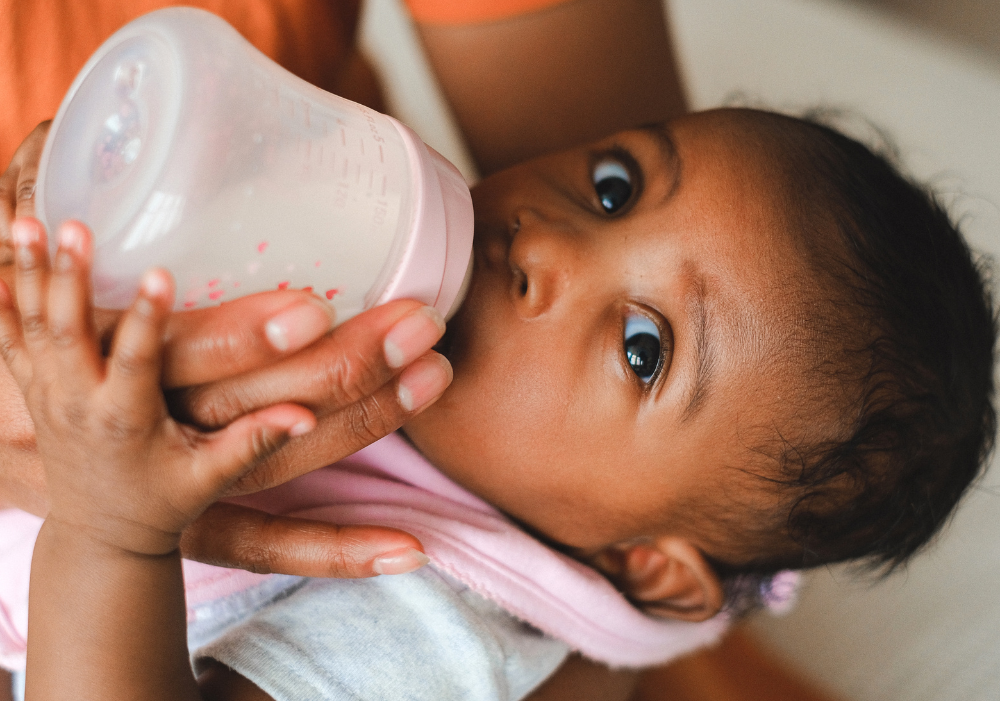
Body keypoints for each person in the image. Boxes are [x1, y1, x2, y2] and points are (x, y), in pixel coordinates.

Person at [0, 106, 994, 700]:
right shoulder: (370, 257)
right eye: (616, 185)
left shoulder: (437, 621)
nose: (549, 240)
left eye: (642, 348)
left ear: (639, 558)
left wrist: (111, 528)